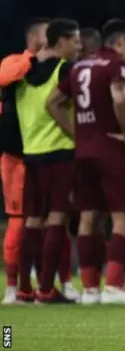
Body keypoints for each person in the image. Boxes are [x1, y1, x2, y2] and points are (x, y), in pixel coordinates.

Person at [48, 18, 125, 305]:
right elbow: (119, 97)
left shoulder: (79, 67)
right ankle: (113, 288)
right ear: (120, 42)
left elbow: (52, 102)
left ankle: (89, 290)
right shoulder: (117, 65)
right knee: (120, 216)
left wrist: (77, 133)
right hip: (109, 147)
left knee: (88, 216)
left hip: (84, 151)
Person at [15, 18, 80, 303]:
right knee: (57, 219)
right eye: (75, 40)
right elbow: (54, 105)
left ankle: (24, 287)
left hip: (31, 152)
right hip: (60, 151)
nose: (78, 46)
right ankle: (45, 289)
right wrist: (76, 136)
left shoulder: (22, 73)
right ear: (61, 41)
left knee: (32, 221)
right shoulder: (65, 70)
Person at [0, 17, 49, 304]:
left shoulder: (51, 71)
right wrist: (33, 58)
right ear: (34, 39)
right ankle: (11, 289)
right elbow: (4, 78)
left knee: (49, 219)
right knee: (18, 220)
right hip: (15, 155)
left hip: (43, 153)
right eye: (47, 35)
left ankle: (47, 283)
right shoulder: (14, 62)